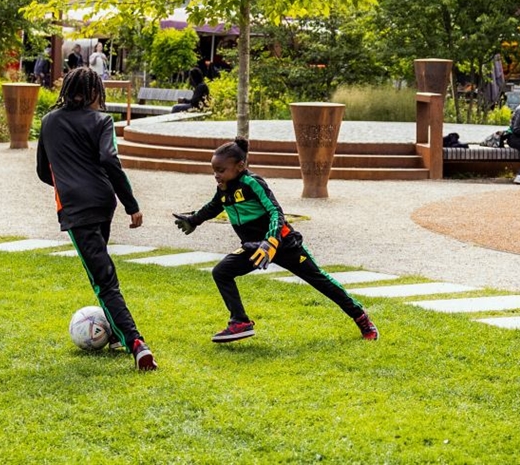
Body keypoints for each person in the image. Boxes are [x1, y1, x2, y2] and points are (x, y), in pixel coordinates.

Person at [172, 137, 378, 343]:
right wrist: (193, 220)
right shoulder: (224, 189)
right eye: (214, 171)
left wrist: (271, 241)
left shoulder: (252, 183)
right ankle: (240, 322)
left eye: (221, 170)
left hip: (284, 244)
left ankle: (361, 317)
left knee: (320, 280)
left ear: (240, 166)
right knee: (221, 272)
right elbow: (214, 206)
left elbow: (275, 212)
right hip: (255, 249)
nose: (216, 175)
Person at [34, 67, 157, 370]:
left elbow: (42, 171)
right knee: (103, 272)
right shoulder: (103, 121)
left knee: (104, 282)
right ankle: (115, 335)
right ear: (93, 92)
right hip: (103, 202)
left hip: (76, 210)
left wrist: (69, 184)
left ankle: (136, 343)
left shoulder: (48, 121)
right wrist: (131, 204)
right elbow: (109, 160)